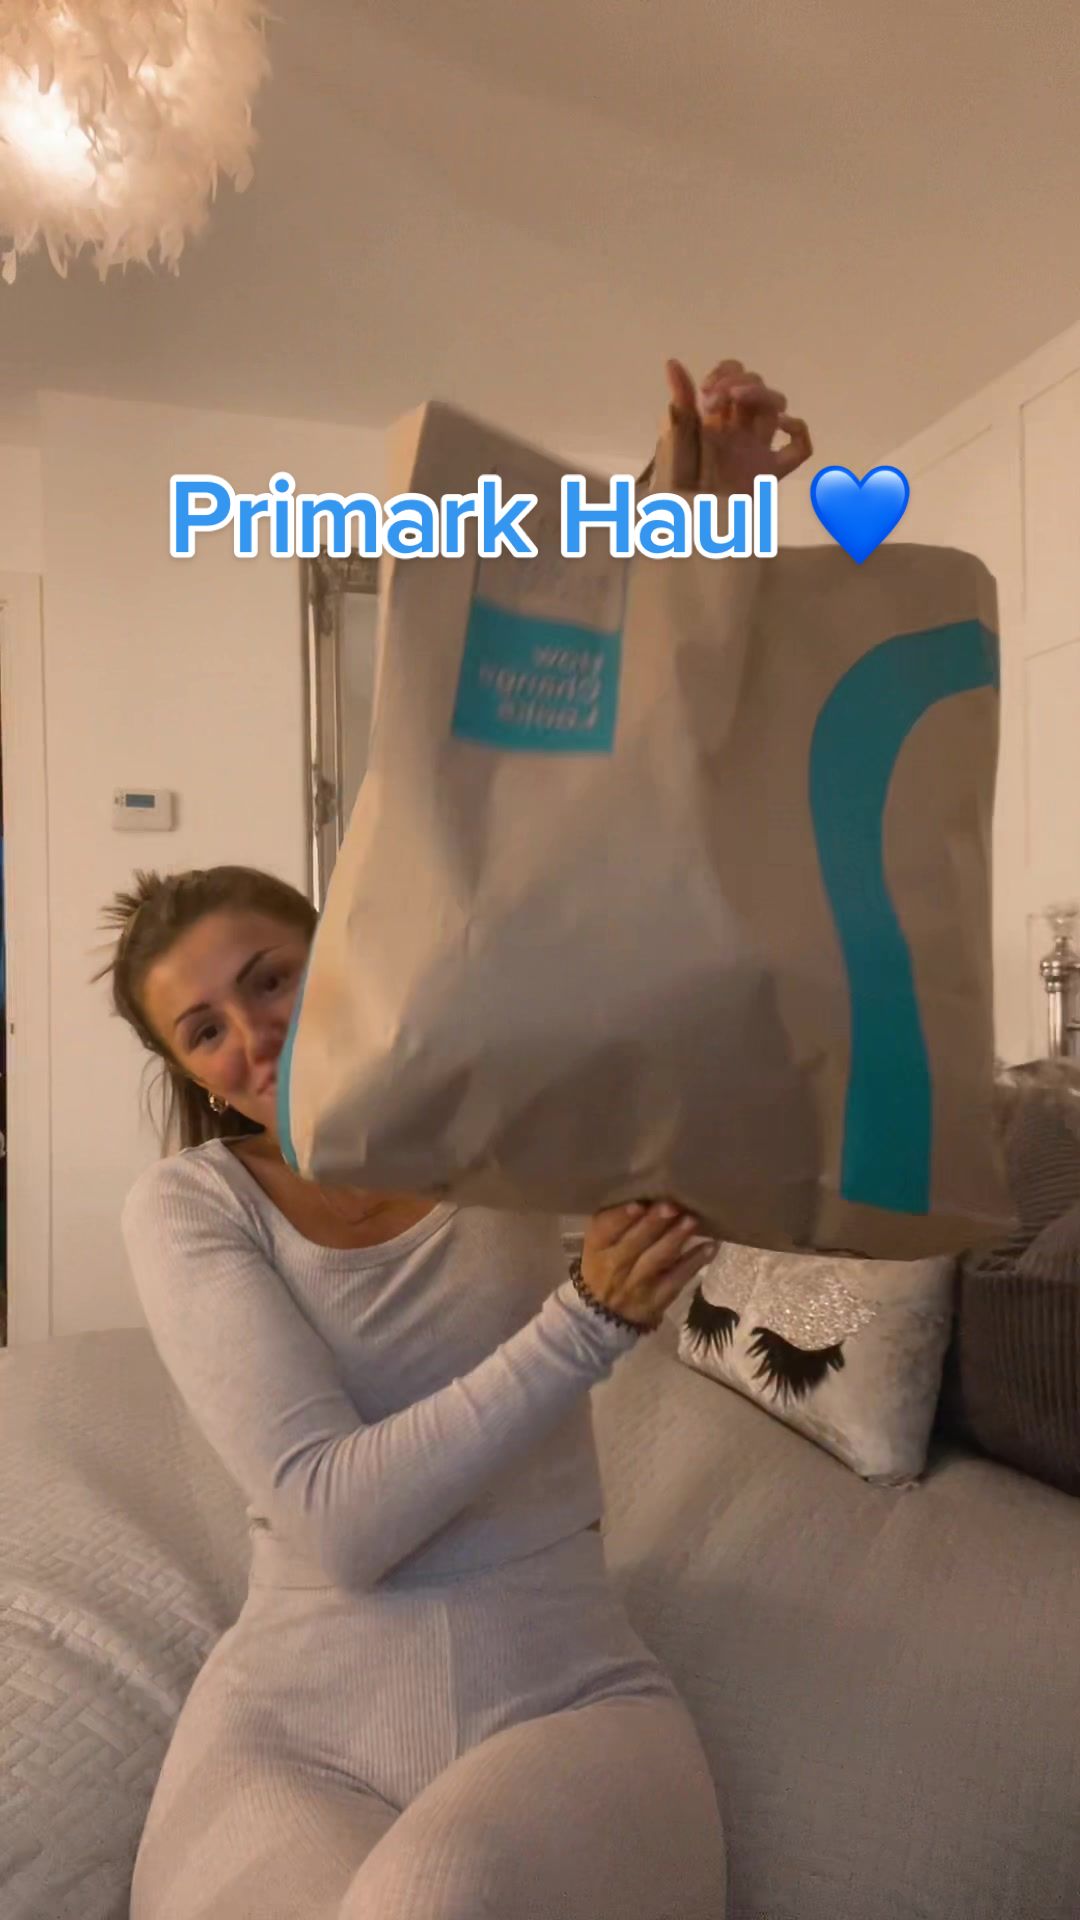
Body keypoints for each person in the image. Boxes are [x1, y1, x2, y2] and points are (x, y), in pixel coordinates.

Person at [109, 359, 810, 1920]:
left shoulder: (505, 1096)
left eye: (269, 977)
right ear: (192, 1077)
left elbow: (587, 809)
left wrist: (695, 512)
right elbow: (340, 1518)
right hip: (287, 1724)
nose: (251, 1037)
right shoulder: (192, 1205)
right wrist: (586, 1325)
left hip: (559, 1697)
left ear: (348, 949)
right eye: (202, 1030)